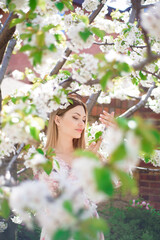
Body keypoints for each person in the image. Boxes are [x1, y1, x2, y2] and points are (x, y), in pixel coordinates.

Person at [35, 96, 115, 240]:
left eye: (84, 119)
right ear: (58, 120)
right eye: (75, 117)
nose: (82, 124)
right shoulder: (43, 159)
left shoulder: (89, 153)